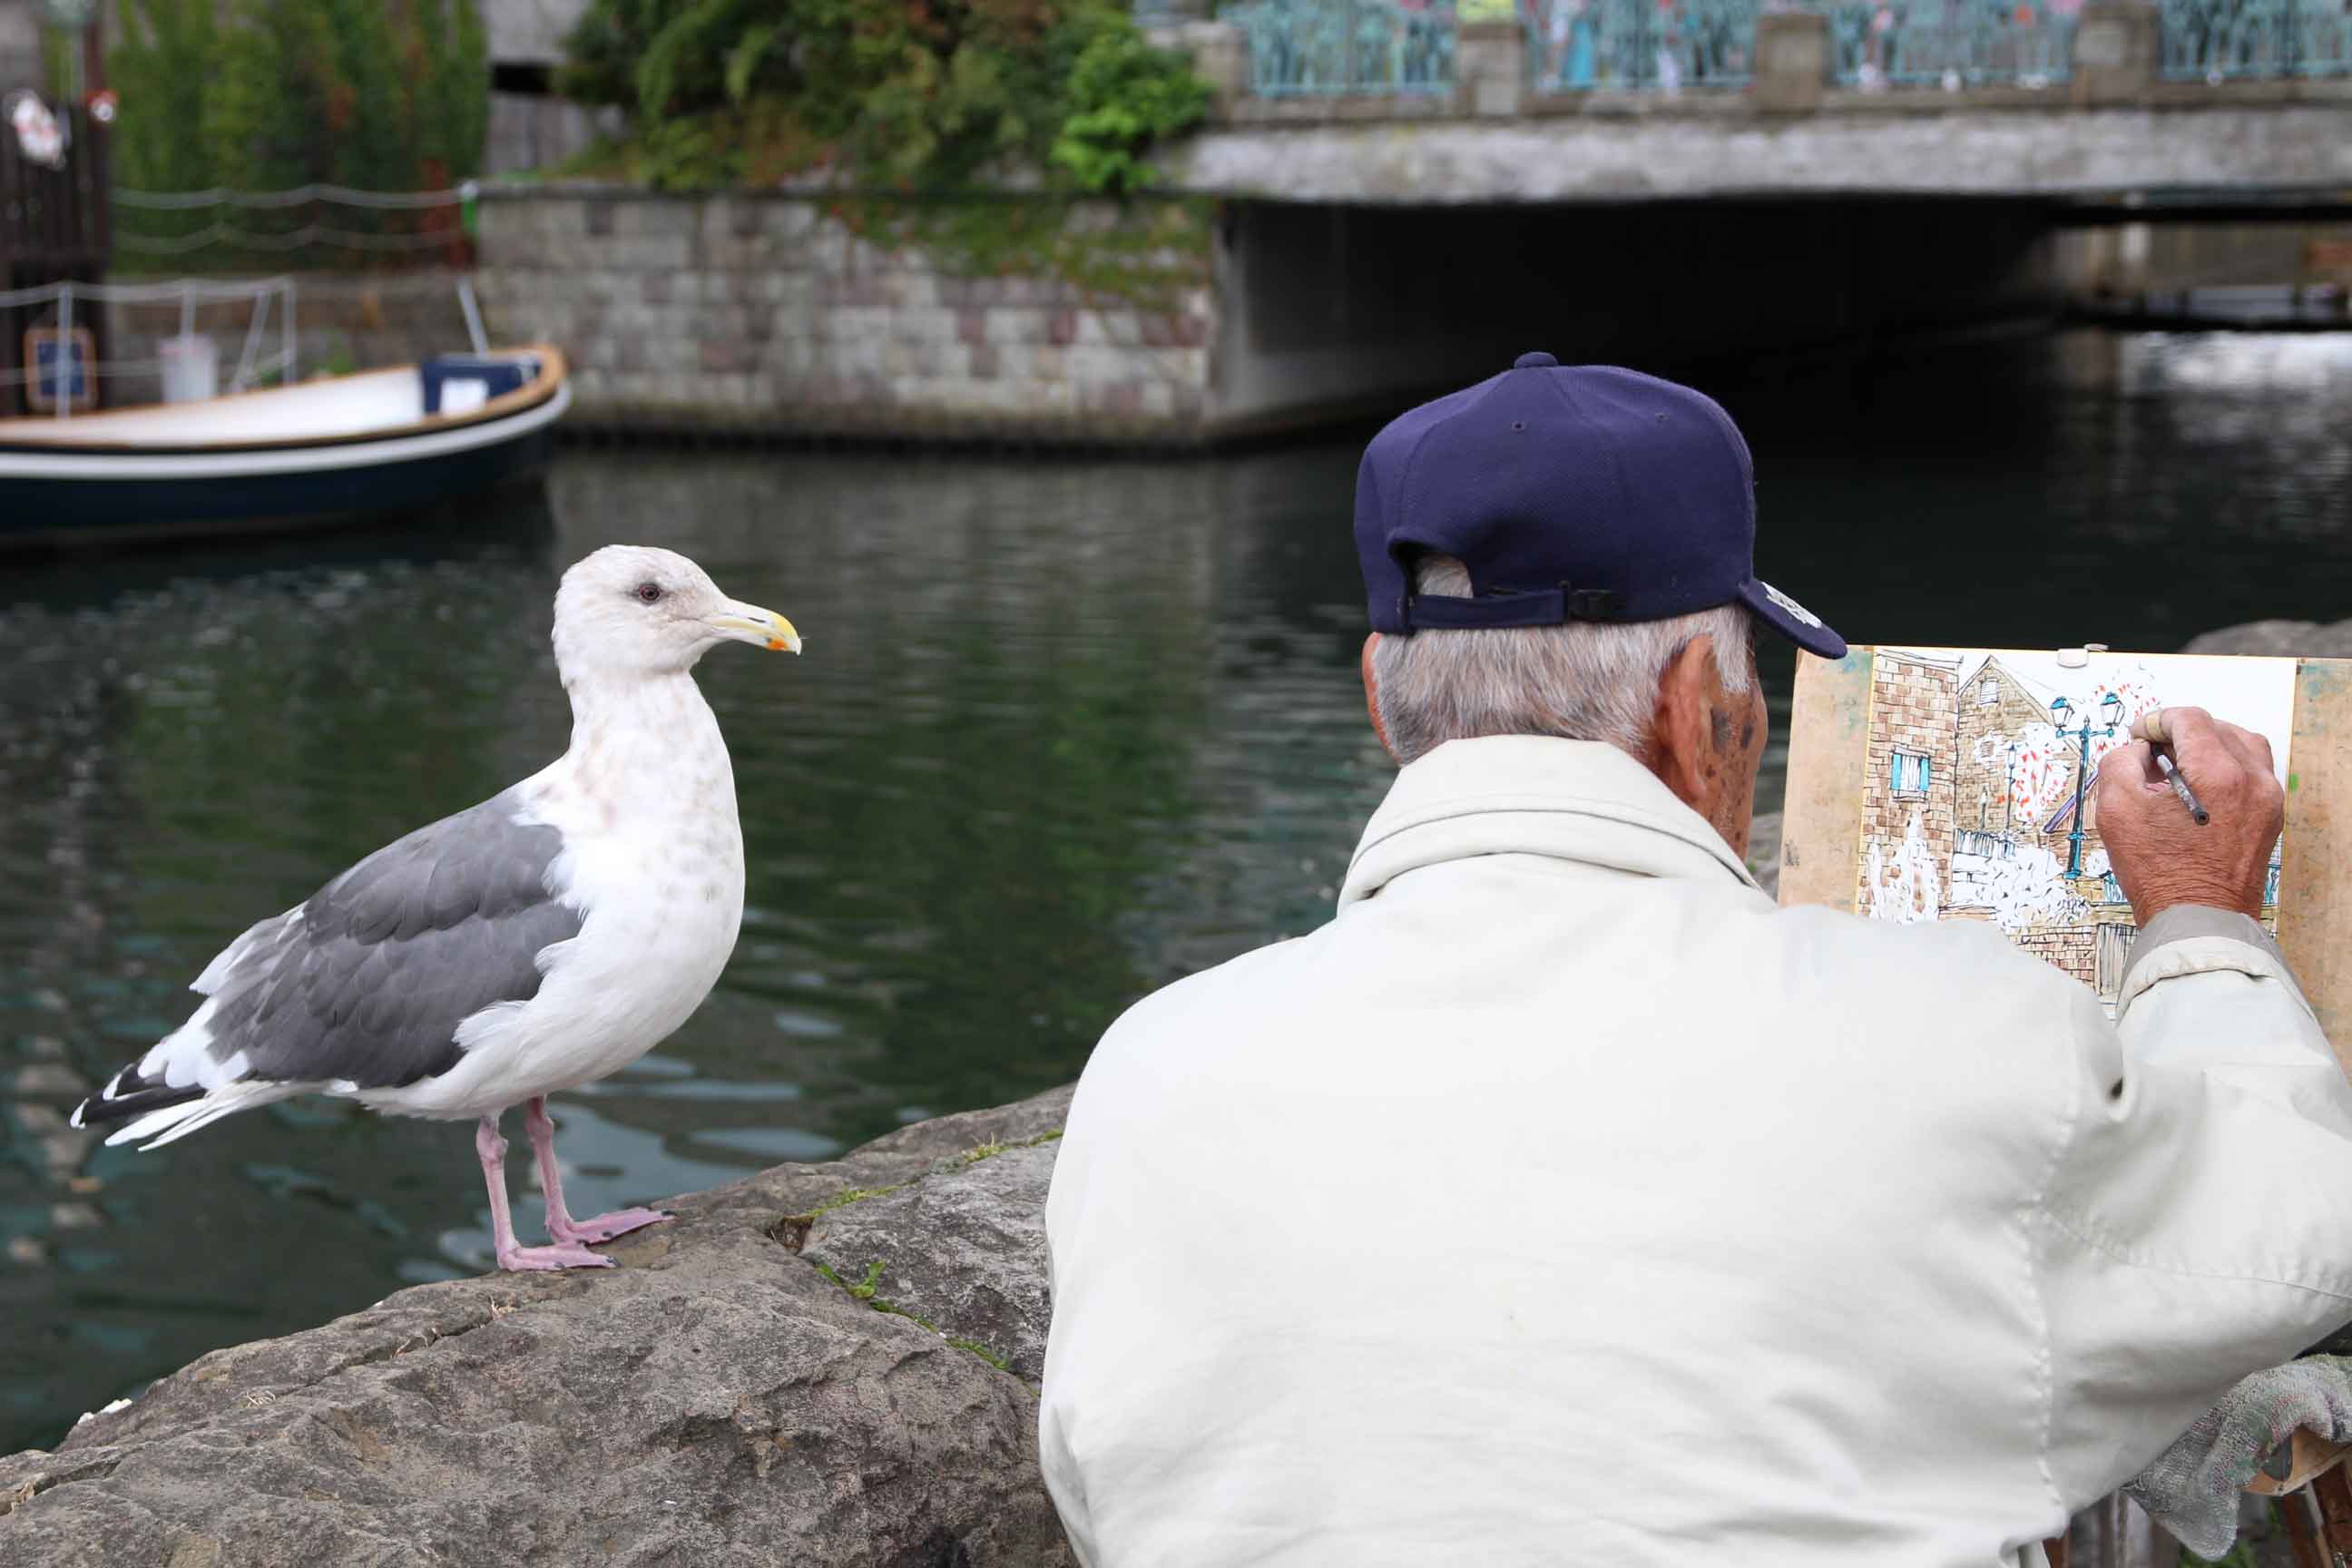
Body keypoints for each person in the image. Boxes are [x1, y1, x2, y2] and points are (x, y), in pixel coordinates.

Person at [1037, 353, 2352, 1566]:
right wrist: (2198, 917)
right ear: (1694, 705)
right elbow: (2287, 1238)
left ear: (1384, 693)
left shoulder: (1149, 1073)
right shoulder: (1945, 1034)